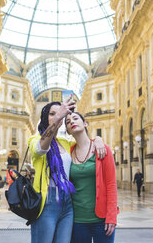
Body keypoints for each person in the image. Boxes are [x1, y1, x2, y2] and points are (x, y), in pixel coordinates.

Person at [28, 96, 107, 243]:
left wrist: (98, 139)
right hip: (47, 204)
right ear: (45, 118)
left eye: (60, 113)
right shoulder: (35, 139)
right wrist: (58, 117)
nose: (57, 116)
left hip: (68, 205)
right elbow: (41, 148)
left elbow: (84, 141)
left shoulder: (65, 142)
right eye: (52, 113)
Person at [65, 111, 117, 243]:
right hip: (77, 220)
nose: (71, 121)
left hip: (102, 220)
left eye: (75, 118)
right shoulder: (68, 153)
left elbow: (111, 184)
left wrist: (112, 217)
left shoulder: (102, 149)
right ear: (68, 131)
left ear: (85, 123)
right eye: (68, 122)